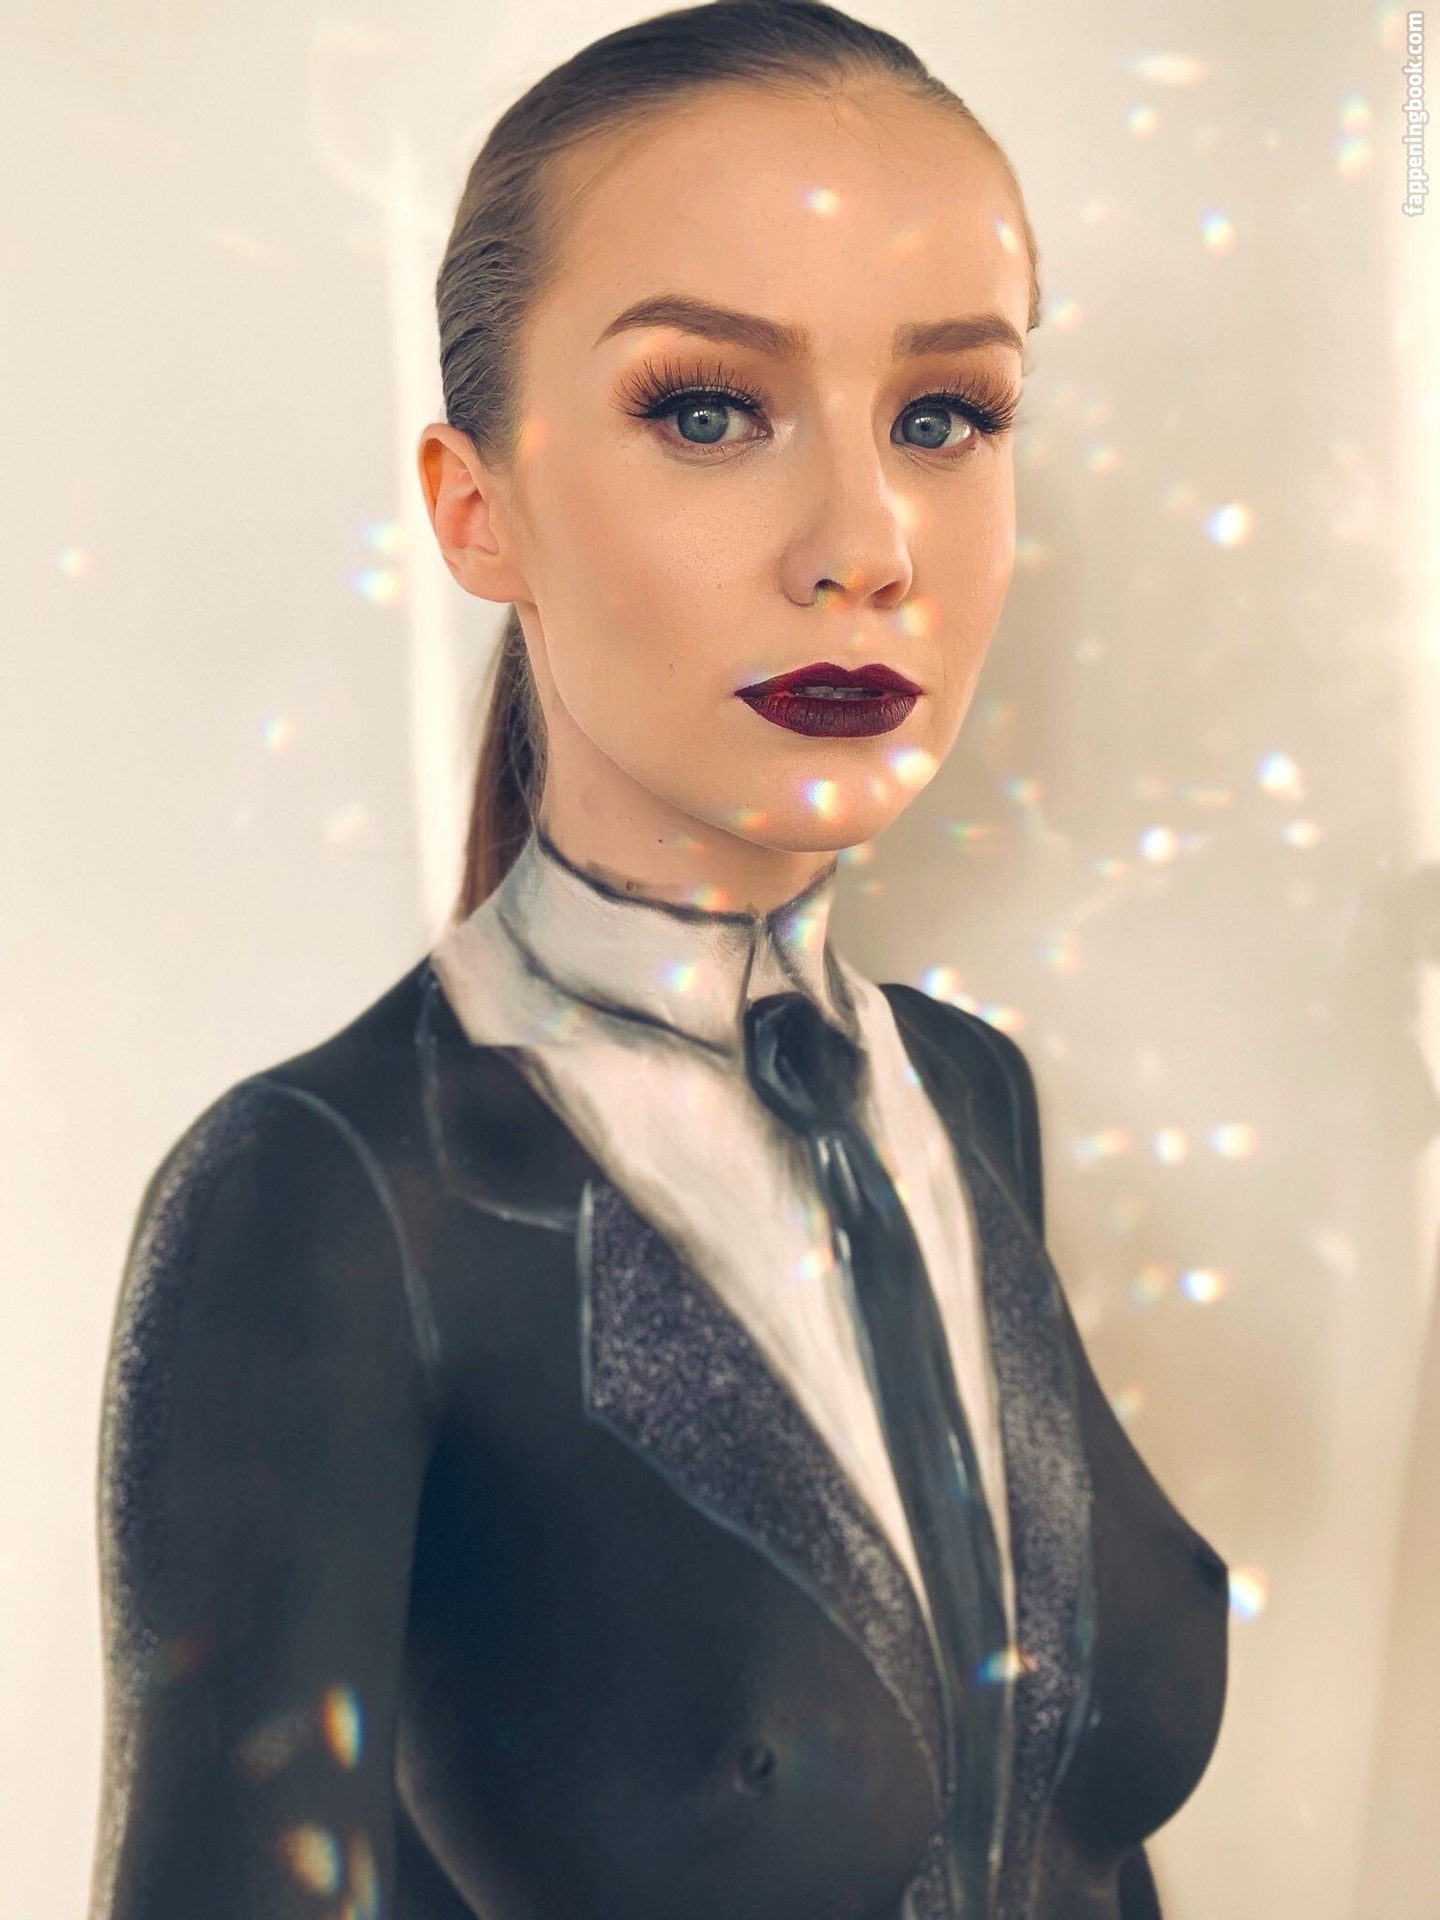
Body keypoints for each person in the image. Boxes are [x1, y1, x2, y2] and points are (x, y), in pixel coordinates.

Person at [88, 4, 1229, 1917]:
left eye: (945, 416)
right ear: (478, 510)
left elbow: (1074, 1847)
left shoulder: (966, 1095)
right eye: (707, 409)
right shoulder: (325, 1198)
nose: (867, 543)